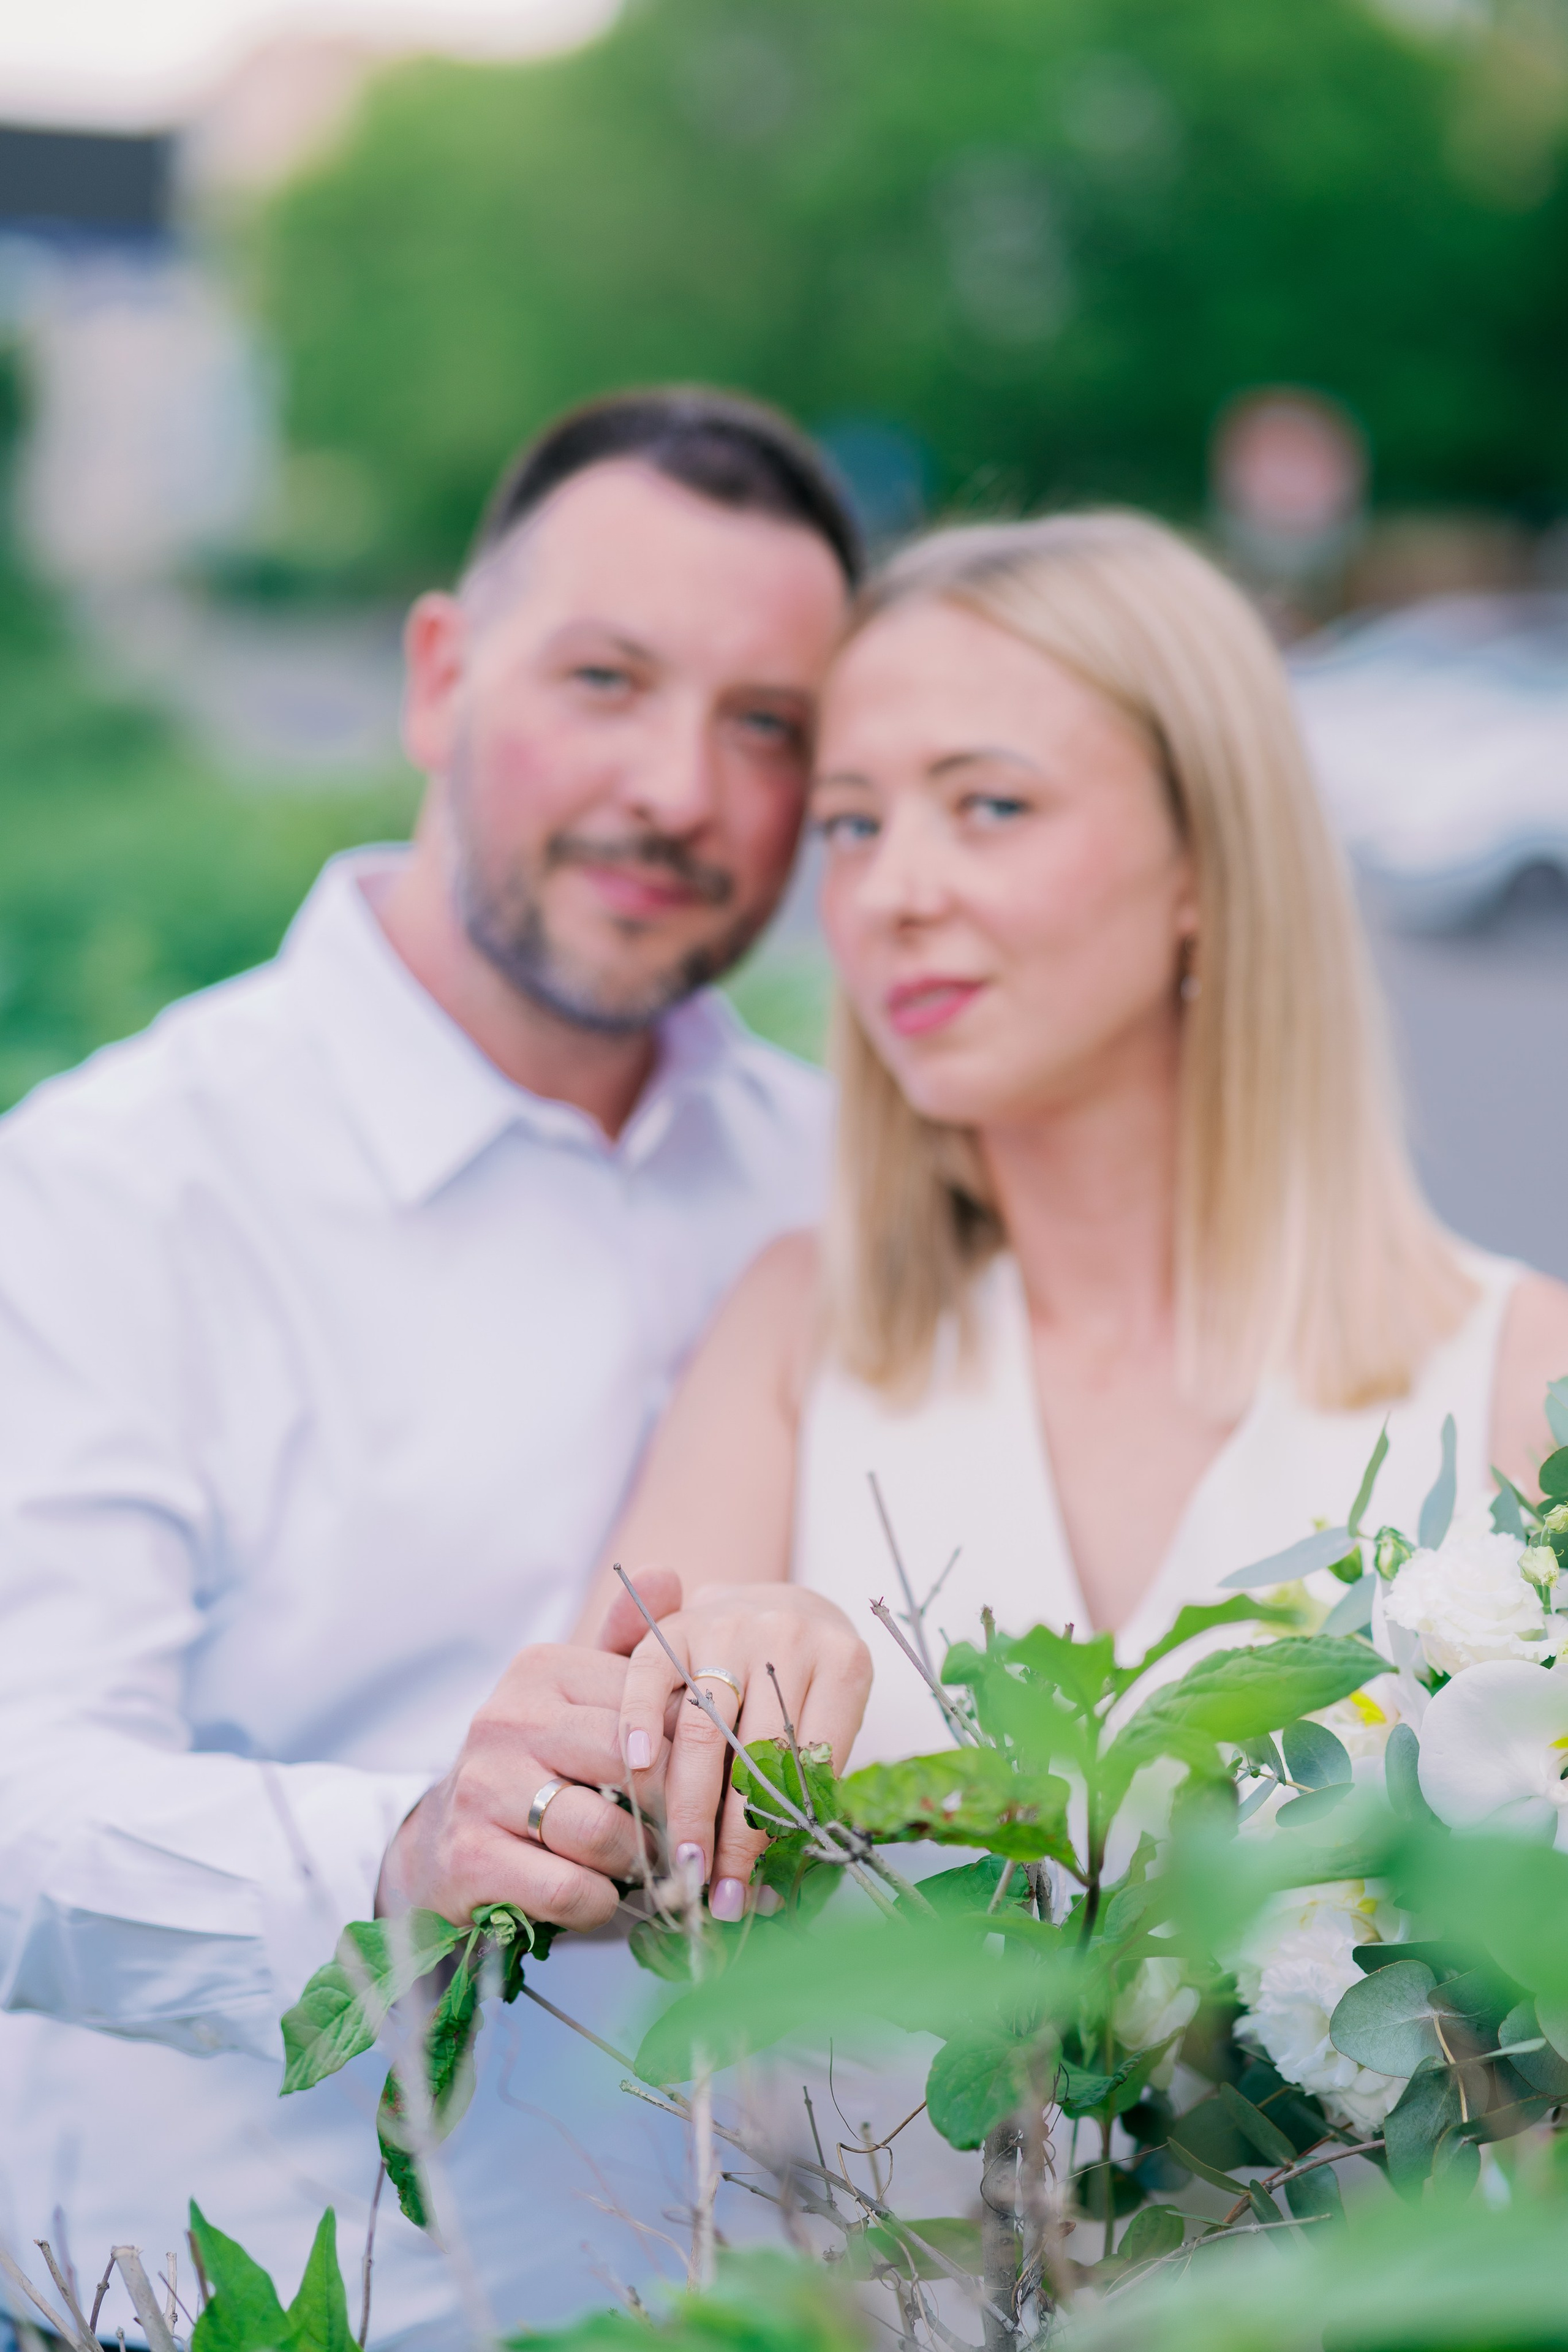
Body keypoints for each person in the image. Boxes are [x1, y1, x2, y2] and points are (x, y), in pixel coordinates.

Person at [0, 387, 873, 2346]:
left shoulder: (841, 1183)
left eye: (766, 725)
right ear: (438, 677)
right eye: (606, 680)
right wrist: (397, 1853)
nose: (679, 789)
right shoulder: (110, 1191)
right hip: (218, 2307)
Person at [594, 510, 1568, 1833]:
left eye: (989, 805)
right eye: (851, 823)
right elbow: (582, 1849)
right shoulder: (797, 1337)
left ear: (1204, 863)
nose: (890, 892)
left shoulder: (1519, 1383)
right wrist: (691, 1693)